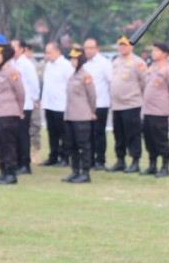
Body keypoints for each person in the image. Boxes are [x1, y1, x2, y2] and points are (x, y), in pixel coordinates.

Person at [108, 35, 147, 173]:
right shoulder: (116, 61)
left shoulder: (138, 62)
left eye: (125, 44)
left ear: (131, 46)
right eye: (120, 44)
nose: (122, 47)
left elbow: (144, 82)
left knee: (133, 134)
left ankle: (135, 161)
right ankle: (120, 160)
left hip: (131, 104)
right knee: (118, 135)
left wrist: (136, 96)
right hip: (117, 105)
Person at [140, 42, 169, 178]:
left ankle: (165, 166)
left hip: (160, 111)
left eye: (157, 51)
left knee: (161, 139)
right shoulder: (151, 68)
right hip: (148, 110)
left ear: (165, 54)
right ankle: (152, 165)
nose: (153, 53)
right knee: (149, 138)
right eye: (153, 50)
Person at [0, 43, 25, 185]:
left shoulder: (12, 71)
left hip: (8, 113)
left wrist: (20, 109)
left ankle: (11, 173)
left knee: (8, 144)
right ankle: (3, 171)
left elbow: (20, 92)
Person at [63, 46, 97, 183]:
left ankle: (86, 172)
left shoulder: (85, 75)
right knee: (72, 146)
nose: (72, 60)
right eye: (71, 58)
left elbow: (92, 96)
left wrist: (92, 111)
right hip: (70, 115)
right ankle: (75, 171)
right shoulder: (73, 75)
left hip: (82, 116)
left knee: (84, 145)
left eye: (75, 58)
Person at [12, 38, 41, 174]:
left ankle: (25, 164)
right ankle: (17, 161)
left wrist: (34, 99)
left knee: (23, 135)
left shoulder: (27, 64)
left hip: (25, 105)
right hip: (14, 104)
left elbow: (34, 85)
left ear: (22, 49)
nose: (12, 50)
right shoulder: (12, 63)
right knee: (15, 135)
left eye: (15, 47)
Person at [40, 41, 72, 167]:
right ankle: (53, 156)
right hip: (49, 104)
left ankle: (65, 157)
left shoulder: (66, 65)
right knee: (52, 132)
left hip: (61, 105)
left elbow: (70, 85)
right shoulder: (48, 65)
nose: (47, 55)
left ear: (57, 52)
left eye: (49, 52)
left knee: (64, 133)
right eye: (46, 52)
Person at [82, 38, 112, 171]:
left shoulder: (104, 63)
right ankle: (90, 160)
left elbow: (111, 81)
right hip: (86, 105)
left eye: (91, 48)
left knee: (99, 133)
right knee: (87, 134)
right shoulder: (83, 63)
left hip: (100, 104)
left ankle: (100, 160)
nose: (88, 50)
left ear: (97, 49)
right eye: (86, 48)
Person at [24, 44, 43, 159]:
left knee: (35, 126)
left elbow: (39, 83)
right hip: (22, 101)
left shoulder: (35, 65)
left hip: (33, 100)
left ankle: (36, 150)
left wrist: (36, 99)